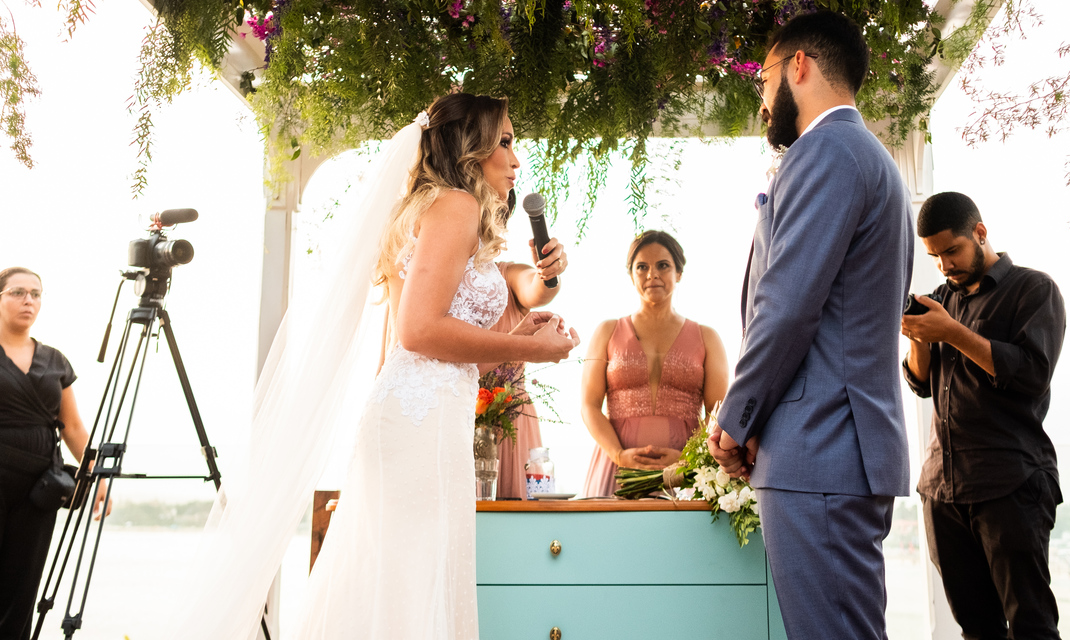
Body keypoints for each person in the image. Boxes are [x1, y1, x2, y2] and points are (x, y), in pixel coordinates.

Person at [160, 94, 579, 640]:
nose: (516, 159)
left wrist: (525, 323)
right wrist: (531, 349)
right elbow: (419, 331)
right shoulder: (456, 206)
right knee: (413, 581)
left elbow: (445, 323)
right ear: (470, 148)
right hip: (421, 420)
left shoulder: (429, 207)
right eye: (505, 141)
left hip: (416, 412)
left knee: (393, 581)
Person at [707, 11, 914, 640]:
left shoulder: (828, 151)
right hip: (834, 450)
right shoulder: (864, 156)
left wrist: (736, 418)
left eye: (763, 79)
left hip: (818, 450)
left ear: (799, 65)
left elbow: (788, 307)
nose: (763, 102)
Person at [901, 191, 1067, 640]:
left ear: (980, 232)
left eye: (951, 251)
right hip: (943, 489)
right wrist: (919, 337)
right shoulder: (940, 298)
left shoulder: (1034, 289)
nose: (945, 265)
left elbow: (1032, 373)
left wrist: (951, 332)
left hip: (1010, 485)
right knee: (976, 629)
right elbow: (920, 384)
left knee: (1031, 626)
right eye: (935, 256)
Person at [0, 267, 109, 640]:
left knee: (23, 585)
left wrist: (97, 479)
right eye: (17, 292)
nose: (28, 300)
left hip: (40, 488)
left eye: (35, 293)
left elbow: (73, 427)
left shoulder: (55, 361)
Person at [580, 230, 728, 497]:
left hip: (685, 473)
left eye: (663, 265)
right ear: (631, 275)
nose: (652, 274)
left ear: (679, 273)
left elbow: (718, 413)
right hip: (618, 470)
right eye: (642, 267)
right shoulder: (607, 331)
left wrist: (689, 458)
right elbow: (589, 406)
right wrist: (619, 455)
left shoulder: (708, 337)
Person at [491, 190, 570, 500]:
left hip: (511, 423)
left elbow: (536, 290)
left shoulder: (507, 274)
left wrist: (546, 273)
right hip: (455, 413)